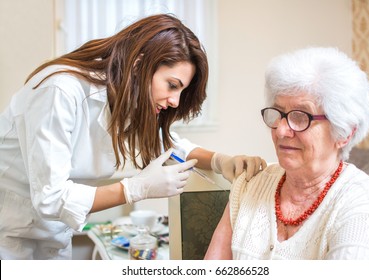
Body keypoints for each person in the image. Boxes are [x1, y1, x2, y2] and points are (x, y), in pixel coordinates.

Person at [0, 14, 266, 260]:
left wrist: (221, 161)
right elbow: (51, 198)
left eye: (181, 92)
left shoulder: (124, 100)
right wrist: (134, 189)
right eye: (172, 85)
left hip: (53, 236)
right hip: (8, 234)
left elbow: (170, 146)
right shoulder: (60, 91)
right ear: (139, 65)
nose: (175, 101)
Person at [204, 47, 369, 260]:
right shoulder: (249, 185)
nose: (281, 131)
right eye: (279, 113)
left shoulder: (362, 199)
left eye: (301, 116)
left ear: (344, 133)